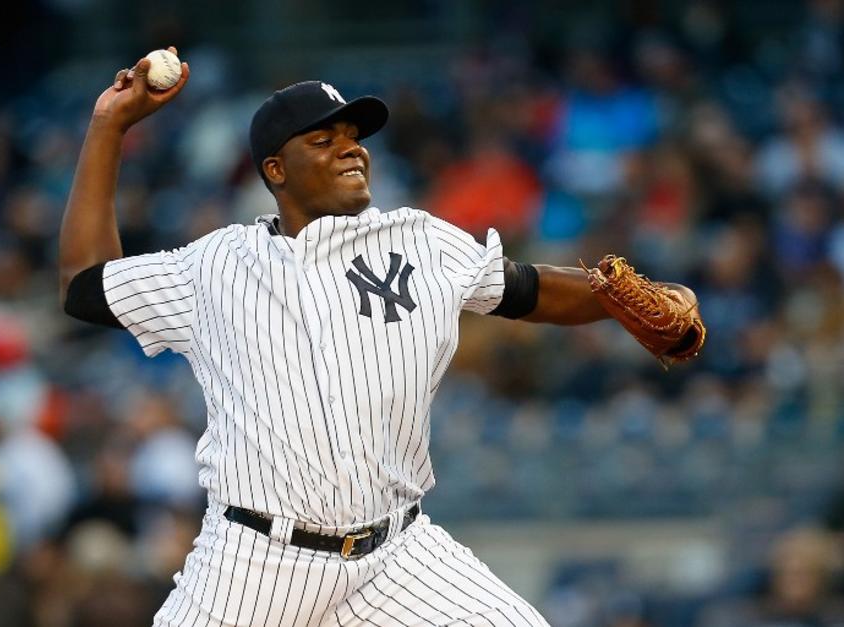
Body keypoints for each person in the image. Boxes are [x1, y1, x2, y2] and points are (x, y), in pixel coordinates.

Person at [59, 48, 700, 626]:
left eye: (354, 135)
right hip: (255, 564)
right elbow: (85, 284)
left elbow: (529, 289)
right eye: (324, 138)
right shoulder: (215, 267)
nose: (351, 147)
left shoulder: (419, 240)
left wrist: (622, 302)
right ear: (276, 170)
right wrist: (109, 126)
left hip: (396, 555)